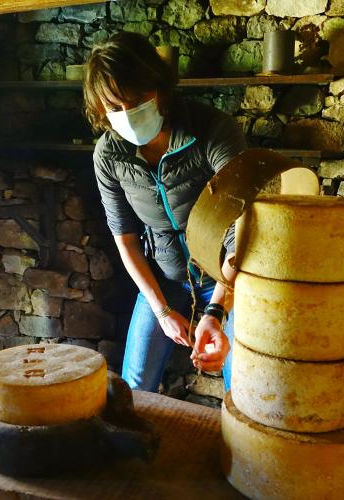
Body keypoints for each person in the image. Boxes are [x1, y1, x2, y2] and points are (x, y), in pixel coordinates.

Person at [83, 32, 245, 392]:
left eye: (137, 100)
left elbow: (241, 229)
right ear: (100, 111)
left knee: (241, 386)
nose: (127, 114)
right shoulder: (109, 156)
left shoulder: (213, 131)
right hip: (165, 281)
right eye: (114, 107)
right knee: (134, 385)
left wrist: (217, 311)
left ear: (160, 88)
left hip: (224, 280)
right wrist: (160, 311)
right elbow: (125, 239)